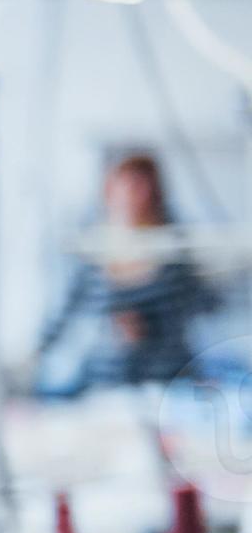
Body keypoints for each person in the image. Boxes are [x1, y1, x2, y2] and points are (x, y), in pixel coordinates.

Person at [35, 148, 217, 391]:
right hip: (103, 384)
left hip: (169, 381)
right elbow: (66, 309)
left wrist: (152, 327)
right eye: (129, 186)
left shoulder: (176, 245)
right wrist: (36, 354)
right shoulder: (91, 245)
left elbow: (205, 305)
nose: (136, 196)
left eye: (144, 187)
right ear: (111, 190)